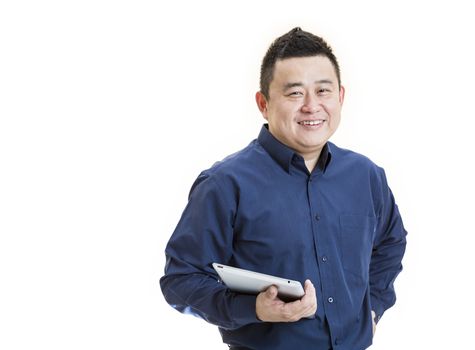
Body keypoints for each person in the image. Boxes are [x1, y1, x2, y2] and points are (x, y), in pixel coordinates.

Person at [160, 27, 407, 350]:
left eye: (323, 91)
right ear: (263, 103)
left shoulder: (366, 175)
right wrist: (254, 309)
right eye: (294, 93)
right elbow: (181, 279)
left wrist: (373, 308)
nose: (311, 106)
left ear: (341, 97)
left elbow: (390, 244)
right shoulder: (225, 183)